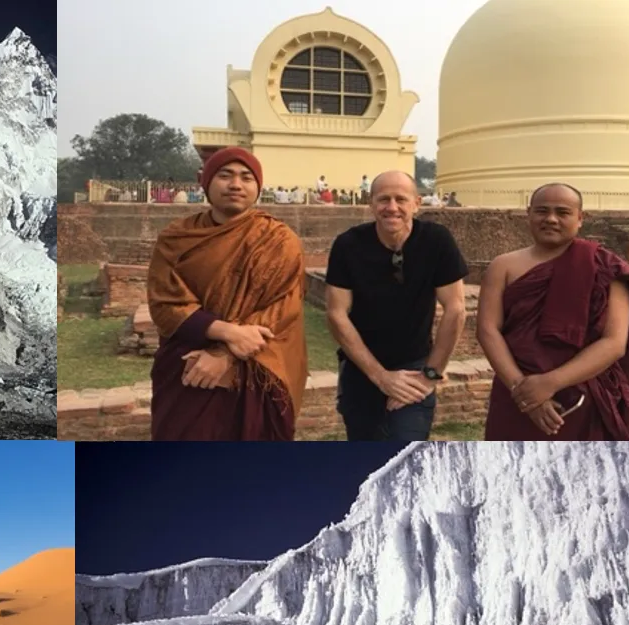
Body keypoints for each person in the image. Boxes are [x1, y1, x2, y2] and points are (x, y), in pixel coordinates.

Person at [147, 147, 307, 441]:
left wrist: (226, 353)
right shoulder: (177, 238)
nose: (235, 185)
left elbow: (283, 306)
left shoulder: (279, 240)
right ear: (206, 182)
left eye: (246, 177)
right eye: (225, 175)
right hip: (189, 367)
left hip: (256, 366)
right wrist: (227, 332)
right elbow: (164, 302)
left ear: (258, 187)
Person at [478, 183, 629, 440]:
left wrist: (550, 383)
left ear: (580, 218)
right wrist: (523, 390)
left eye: (563, 212)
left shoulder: (604, 267)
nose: (551, 219)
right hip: (515, 390)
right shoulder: (503, 266)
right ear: (529, 214)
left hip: (584, 393)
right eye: (542, 211)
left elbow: (614, 343)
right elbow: (488, 330)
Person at [324, 171, 469, 441]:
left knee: (406, 450)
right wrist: (381, 377)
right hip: (362, 366)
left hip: (414, 367)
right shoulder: (349, 245)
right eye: (383, 199)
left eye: (400, 199)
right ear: (371, 204)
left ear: (417, 203)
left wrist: (431, 374)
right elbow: (336, 314)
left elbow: (455, 309)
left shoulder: (436, 241)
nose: (392, 207)